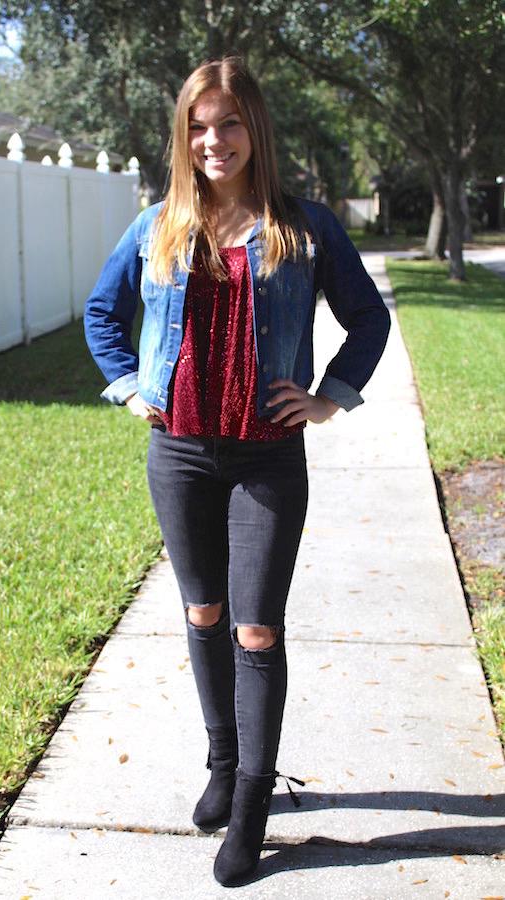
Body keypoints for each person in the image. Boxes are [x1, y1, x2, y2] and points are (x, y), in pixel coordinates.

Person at [84, 55, 390, 887]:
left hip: (265, 458)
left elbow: (367, 316)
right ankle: (223, 761)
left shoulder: (304, 225)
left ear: (255, 128)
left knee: (257, 626)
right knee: (204, 612)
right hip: (178, 452)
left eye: (228, 123)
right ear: (183, 136)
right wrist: (127, 386)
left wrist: (329, 398)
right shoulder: (158, 226)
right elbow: (100, 314)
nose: (213, 140)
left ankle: (254, 795)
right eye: (198, 125)